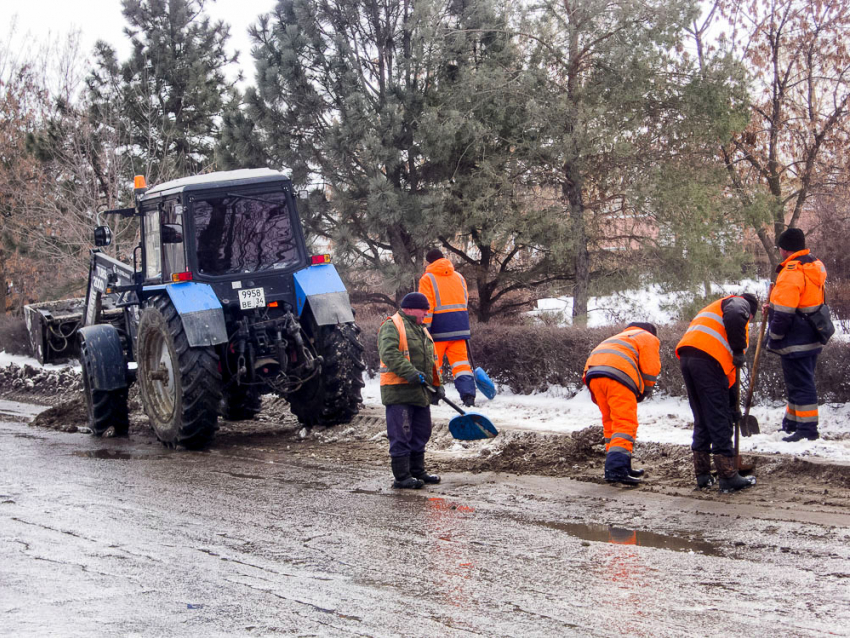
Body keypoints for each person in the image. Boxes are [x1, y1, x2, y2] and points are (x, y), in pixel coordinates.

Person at [676, 293, 758, 492]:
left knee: (703, 417)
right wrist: (739, 350)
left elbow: (727, 379)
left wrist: (732, 406)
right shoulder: (739, 303)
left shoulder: (714, 312)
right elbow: (737, 313)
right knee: (717, 417)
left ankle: (703, 475)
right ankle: (728, 476)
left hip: (690, 358)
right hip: (707, 360)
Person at [765, 228, 827, 442]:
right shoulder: (812, 265)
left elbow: (784, 311)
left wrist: (774, 334)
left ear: (784, 249)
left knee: (801, 383)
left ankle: (808, 429)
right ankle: (792, 423)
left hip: (795, 337)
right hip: (811, 333)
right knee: (797, 381)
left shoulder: (791, 271)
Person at [378, 292, 445, 489]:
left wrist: (437, 385)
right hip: (398, 392)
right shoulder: (392, 325)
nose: (426, 313)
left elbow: (431, 361)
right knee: (401, 434)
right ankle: (402, 477)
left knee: (421, 432)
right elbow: (389, 354)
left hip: (420, 392)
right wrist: (411, 373)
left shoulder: (421, 330)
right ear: (408, 309)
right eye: (423, 309)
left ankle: (417, 471)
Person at [583, 322, 661, 485]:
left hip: (594, 376)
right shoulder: (648, 337)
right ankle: (616, 469)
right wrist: (645, 391)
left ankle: (620, 465)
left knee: (611, 422)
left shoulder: (619, 337)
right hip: (618, 376)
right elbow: (650, 369)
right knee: (625, 423)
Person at [418, 248, 476, 406]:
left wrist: (425, 329)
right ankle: (468, 396)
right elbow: (464, 300)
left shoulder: (427, 278)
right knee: (461, 364)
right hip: (460, 327)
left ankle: (434, 397)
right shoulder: (458, 276)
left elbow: (426, 307)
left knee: (433, 364)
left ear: (429, 262)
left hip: (438, 329)